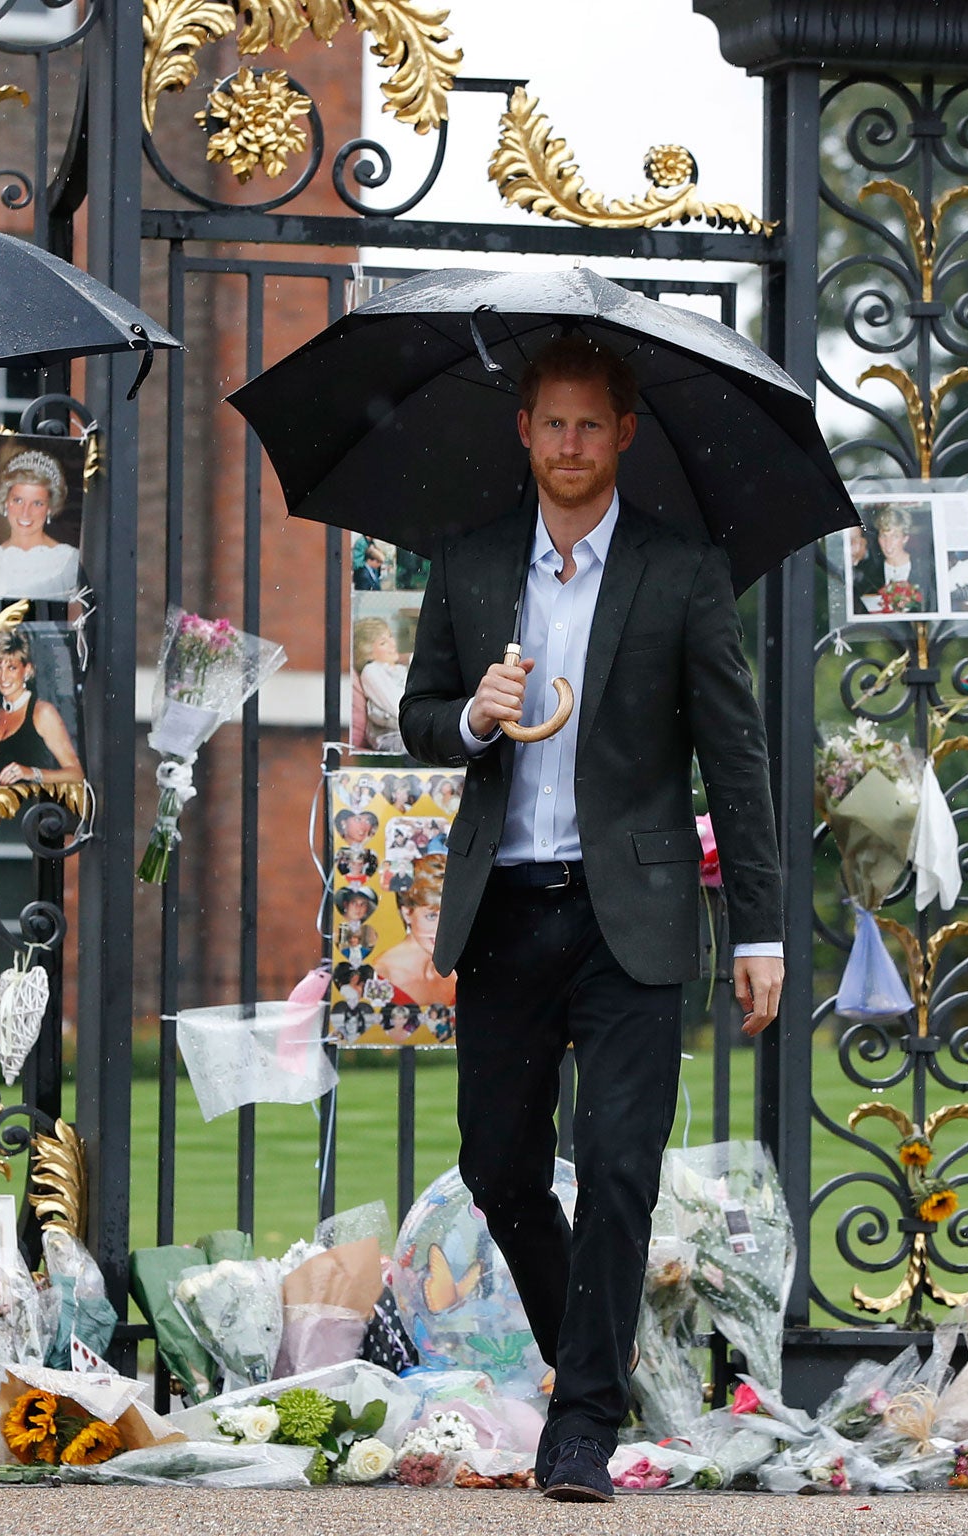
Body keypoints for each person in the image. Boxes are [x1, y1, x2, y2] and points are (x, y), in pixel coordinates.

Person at [398, 333, 783, 1502]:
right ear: (523, 431)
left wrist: (759, 931)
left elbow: (735, 751)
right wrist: (472, 715)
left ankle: (580, 1429)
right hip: (506, 913)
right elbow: (419, 715)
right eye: (548, 423)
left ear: (622, 435)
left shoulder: (681, 570)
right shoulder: (468, 563)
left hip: (635, 921)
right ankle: (593, 1353)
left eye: (587, 425)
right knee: (498, 1166)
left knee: (619, 1169)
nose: (567, 445)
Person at [0, 451, 79, 599]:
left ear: (49, 507)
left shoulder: (69, 561)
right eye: (18, 500)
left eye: (37, 503)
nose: (26, 512)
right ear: (6, 502)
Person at [0, 629, 82, 787]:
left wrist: (31, 773)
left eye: (12, 668)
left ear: (27, 670)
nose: (3, 677)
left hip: (32, 809)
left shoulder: (42, 713)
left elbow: (76, 774)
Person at [376, 853, 456, 1008]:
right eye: (432, 916)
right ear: (407, 913)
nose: (442, 929)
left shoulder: (460, 968)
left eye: (451, 914)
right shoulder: (381, 976)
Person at [853, 504, 937, 615]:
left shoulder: (925, 569)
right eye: (883, 536)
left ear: (905, 538)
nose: (888, 543)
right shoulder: (867, 573)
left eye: (895, 536)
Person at [352, 616, 408, 754]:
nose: (392, 644)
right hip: (392, 738)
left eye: (390, 637)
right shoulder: (372, 671)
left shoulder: (400, 669)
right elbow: (398, 707)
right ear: (368, 653)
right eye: (383, 643)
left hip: (410, 734)